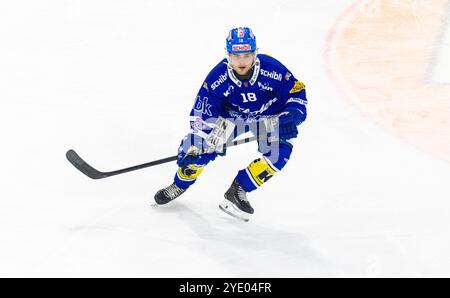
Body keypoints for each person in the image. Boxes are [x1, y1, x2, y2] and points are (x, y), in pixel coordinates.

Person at [154, 27, 308, 221]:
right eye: (236, 56)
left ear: (255, 54)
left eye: (246, 55)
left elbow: (296, 92)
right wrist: (198, 141)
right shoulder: (217, 77)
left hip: (270, 116)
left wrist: (291, 116)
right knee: (195, 151)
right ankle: (179, 185)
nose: (241, 61)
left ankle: (239, 188)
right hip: (232, 118)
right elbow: (203, 112)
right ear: (228, 55)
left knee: (279, 154)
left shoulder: (273, 69)